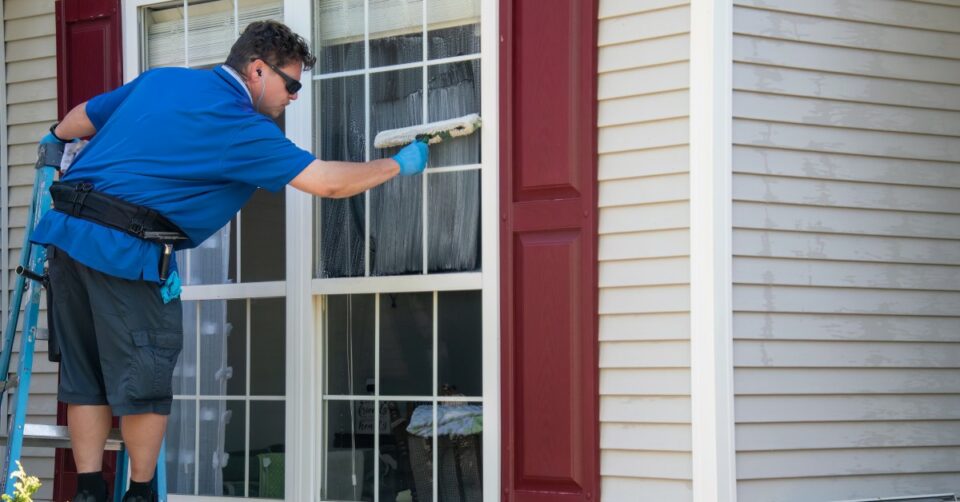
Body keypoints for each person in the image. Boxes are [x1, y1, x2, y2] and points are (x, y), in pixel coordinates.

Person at [30, 20, 427, 502]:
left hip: (64, 240)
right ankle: (138, 494)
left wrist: (52, 143)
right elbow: (326, 182)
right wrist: (397, 165)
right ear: (257, 70)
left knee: (85, 376)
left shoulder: (164, 79)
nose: (295, 97)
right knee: (145, 380)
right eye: (292, 83)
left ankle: (89, 490)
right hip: (124, 252)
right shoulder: (240, 127)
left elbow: (76, 121)